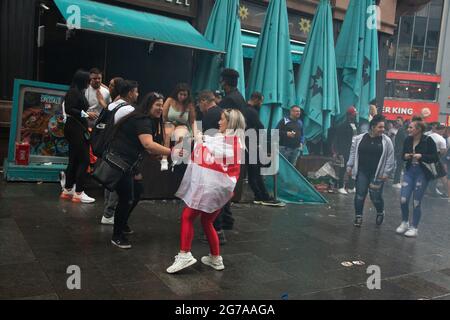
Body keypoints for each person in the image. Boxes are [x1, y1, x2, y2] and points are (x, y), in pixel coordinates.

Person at [166, 109, 245, 273]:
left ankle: (184, 254)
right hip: (223, 190)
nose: (219, 122)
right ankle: (215, 258)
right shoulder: (234, 141)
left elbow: (208, 144)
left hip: (212, 188)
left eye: (222, 119)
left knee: (187, 217)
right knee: (207, 221)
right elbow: (208, 142)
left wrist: (199, 136)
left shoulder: (228, 142)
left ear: (230, 122)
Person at [108, 90, 172, 248]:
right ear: (149, 105)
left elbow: (146, 147)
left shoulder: (145, 119)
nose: (160, 108)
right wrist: (171, 152)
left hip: (128, 162)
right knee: (127, 197)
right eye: (157, 105)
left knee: (136, 192)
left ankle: (121, 225)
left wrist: (154, 154)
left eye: (162, 106)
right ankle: (117, 235)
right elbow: (148, 144)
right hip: (120, 161)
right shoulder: (142, 119)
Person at [101, 80, 139, 225]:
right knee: (117, 183)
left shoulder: (112, 105)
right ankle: (109, 213)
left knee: (109, 180)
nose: (137, 94)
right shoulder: (128, 109)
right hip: (119, 151)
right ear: (130, 93)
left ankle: (107, 211)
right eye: (136, 91)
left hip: (108, 147)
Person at [347, 115, 395, 227]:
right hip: (362, 171)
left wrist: (386, 173)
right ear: (373, 127)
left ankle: (380, 211)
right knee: (360, 195)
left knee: (375, 196)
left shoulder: (386, 141)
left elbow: (390, 158)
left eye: (384, 127)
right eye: (380, 127)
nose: (383, 130)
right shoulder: (359, 139)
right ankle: (358, 217)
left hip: (377, 173)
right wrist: (349, 166)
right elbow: (353, 153)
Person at [396, 117, 440, 237]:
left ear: (419, 129)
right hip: (410, 172)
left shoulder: (428, 140)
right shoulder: (407, 140)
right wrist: (406, 156)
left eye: (411, 127)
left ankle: (414, 227)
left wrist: (422, 156)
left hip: (422, 173)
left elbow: (435, 157)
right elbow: (402, 155)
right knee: (403, 199)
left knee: (416, 201)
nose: (409, 129)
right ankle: (404, 222)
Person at [60, 70, 97, 203]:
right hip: (76, 129)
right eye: (88, 80)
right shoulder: (74, 92)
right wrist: (87, 115)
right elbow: (70, 109)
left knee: (74, 159)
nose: (89, 83)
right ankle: (79, 192)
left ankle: (68, 189)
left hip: (73, 128)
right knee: (84, 160)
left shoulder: (74, 91)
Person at [244, 92, 284, 207]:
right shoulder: (252, 111)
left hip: (249, 143)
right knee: (255, 172)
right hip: (251, 144)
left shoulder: (245, 110)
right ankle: (262, 196)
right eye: (261, 101)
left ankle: (261, 195)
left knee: (253, 172)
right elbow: (260, 126)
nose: (261, 104)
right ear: (256, 99)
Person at [161, 83, 196, 171]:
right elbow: (164, 116)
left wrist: (195, 133)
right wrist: (163, 126)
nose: (182, 97)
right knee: (168, 134)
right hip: (169, 122)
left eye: (185, 95)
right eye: (181, 94)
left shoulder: (189, 105)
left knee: (180, 136)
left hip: (182, 125)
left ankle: (175, 158)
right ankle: (164, 158)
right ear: (177, 93)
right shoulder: (170, 100)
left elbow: (192, 121)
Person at [331, 106, 358, 194]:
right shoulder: (343, 126)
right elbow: (339, 139)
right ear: (349, 115)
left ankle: (351, 186)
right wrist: (339, 152)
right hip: (345, 150)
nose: (355, 116)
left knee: (352, 168)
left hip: (353, 150)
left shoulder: (355, 124)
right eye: (354, 114)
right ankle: (340, 186)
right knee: (343, 168)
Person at [425, 123, 448, 198]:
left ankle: (430, 191)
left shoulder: (428, 136)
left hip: (427, 159)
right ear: (442, 130)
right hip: (436, 159)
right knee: (443, 176)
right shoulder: (441, 139)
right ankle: (448, 193)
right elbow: (443, 151)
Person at [393, 117, 407, 188]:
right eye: (396, 121)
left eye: (398, 120)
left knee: (400, 166)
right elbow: (404, 140)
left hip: (400, 151)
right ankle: (396, 181)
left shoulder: (402, 129)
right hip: (400, 151)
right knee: (399, 166)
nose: (397, 122)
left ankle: (398, 181)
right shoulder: (402, 130)